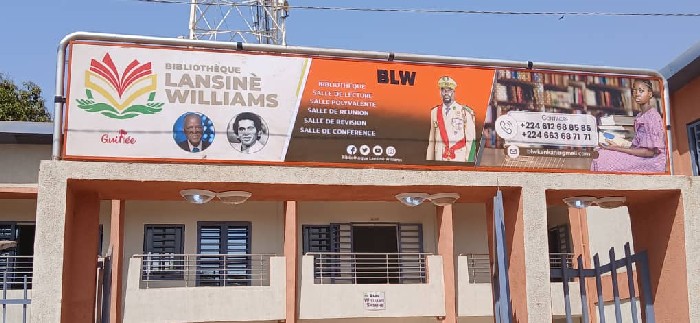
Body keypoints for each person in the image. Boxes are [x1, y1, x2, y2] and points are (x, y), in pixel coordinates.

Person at [590, 79, 666, 173]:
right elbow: (637, 146)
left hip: (651, 162)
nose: (637, 94)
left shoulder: (652, 117)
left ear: (650, 94)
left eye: (641, 91)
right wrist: (617, 146)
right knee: (600, 152)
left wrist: (617, 148)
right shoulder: (640, 116)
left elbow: (649, 152)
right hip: (641, 156)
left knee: (604, 158)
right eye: (634, 90)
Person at [426, 76, 477, 162]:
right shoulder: (434, 112)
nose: (446, 93)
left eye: (449, 90)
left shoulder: (464, 112)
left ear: (454, 92)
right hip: (439, 157)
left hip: (459, 158)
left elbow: (471, 140)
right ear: (440, 92)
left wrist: (468, 163)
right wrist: (429, 162)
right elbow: (432, 141)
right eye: (443, 90)